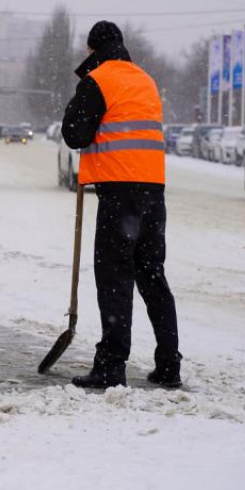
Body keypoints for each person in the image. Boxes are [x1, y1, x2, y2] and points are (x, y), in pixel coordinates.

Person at [61, 21, 182, 389]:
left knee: (114, 278)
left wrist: (83, 86)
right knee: (152, 275)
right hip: (153, 193)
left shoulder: (99, 80)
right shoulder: (144, 80)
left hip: (120, 195)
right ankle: (169, 364)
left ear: (91, 49)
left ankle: (111, 366)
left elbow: (74, 133)